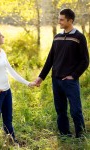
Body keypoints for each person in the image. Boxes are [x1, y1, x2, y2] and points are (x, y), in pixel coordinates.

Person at [34, 9, 89, 138]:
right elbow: (50, 59)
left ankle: (80, 136)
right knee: (60, 111)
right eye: (59, 19)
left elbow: (85, 61)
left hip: (70, 82)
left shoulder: (79, 37)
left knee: (76, 110)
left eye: (62, 19)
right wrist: (41, 77)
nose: (59, 21)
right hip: (56, 81)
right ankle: (65, 135)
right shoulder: (57, 37)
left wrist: (73, 76)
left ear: (70, 20)